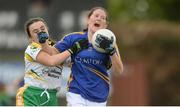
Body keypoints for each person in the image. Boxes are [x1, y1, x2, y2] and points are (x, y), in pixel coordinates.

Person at [47, 7, 123, 106]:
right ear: (88, 19)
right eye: (96, 16)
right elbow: (53, 53)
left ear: (106, 25)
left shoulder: (110, 43)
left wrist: (112, 52)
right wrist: (45, 43)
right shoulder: (74, 38)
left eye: (103, 18)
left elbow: (119, 71)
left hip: (99, 95)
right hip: (76, 92)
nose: (99, 19)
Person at [16, 17, 88, 106]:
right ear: (31, 38)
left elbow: (72, 62)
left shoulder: (57, 48)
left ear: (47, 30)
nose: (40, 32)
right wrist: (73, 49)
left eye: (43, 28)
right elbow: (51, 61)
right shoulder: (32, 48)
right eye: (35, 31)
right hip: (32, 95)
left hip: (51, 96)